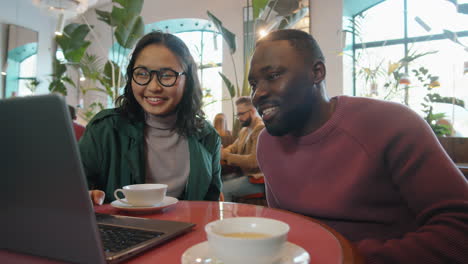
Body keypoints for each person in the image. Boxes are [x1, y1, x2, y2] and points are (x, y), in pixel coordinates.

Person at [249, 29, 468, 263]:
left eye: (272, 75)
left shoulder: (390, 125)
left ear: (317, 72)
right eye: (253, 84)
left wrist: (345, 257)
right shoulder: (267, 144)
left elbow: (459, 231)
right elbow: (290, 230)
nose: (257, 94)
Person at [80, 31, 222, 205]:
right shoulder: (105, 129)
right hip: (120, 230)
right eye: (142, 73)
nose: (153, 87)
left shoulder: (207, 137)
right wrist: (83, 197)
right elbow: (71, 191)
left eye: (167, 75)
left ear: (189, 80)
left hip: (187, 229)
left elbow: (210, 203)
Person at [220, 96, 265, 201]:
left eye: (241, 114)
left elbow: (254, 161)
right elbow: (233, 147)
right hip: (246, 176)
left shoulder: (260, 129)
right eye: (238, 114)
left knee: (223, 189)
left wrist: (225, 155)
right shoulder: (244, 130)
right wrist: (224, 152)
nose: (239, 118)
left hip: (258, 179)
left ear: (253, 111)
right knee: (218, 182)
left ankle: (228, 217)